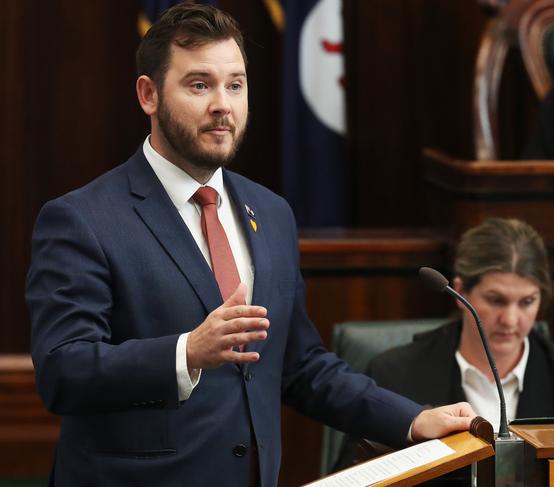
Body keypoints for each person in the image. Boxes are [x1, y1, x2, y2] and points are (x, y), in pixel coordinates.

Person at [26, 4, 475, 486]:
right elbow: (62, 370)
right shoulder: (82, 219)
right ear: (148, 95)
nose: (223, 104)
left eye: (235, 84)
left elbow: (300, 366)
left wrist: (411, 419)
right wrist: (186, 352)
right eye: (200, 85)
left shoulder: (272, 213)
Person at [367, 218, 554, 433]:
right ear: (461, 292)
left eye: (527, 302)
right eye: (496, 300)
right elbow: (361, 464)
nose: (510, 320)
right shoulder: (394, 374)